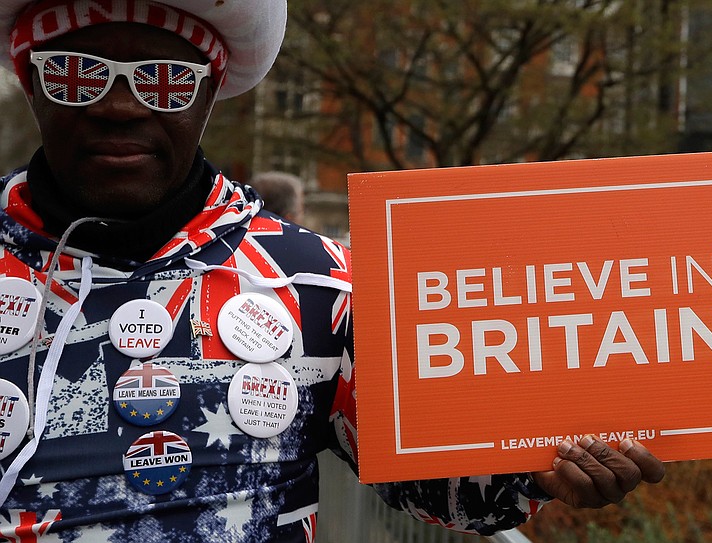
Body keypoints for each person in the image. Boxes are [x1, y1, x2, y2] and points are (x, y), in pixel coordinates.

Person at [0, 0, 664, 541]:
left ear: (210, 94)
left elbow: (434, 480)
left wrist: (532, 467)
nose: (122, 106)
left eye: (166, 81)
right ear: (30, 81)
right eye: (77, 73)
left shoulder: (318, 280)